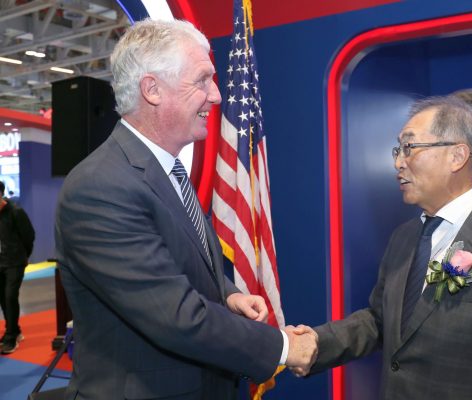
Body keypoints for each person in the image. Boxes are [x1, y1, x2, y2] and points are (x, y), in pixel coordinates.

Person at [55, 19, 316, 400]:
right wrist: (285, 347)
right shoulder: (100, 187)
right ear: (152, 90)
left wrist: (227, 295)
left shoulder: (166, 169)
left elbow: (177, 260)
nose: (216, 96)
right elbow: (174, 315)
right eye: (202, 80)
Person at [293, 96, 472, 399]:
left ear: (457, 156)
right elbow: (380, 320)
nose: (398, 162)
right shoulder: (403, 237)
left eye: (410, 147)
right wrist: (316, 343)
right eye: (398, 150)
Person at [0, 181, 35, 354]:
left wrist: (24, 256)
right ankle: (15, 330)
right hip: (0, 261)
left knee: (10, 296)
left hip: (15, 261)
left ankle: (11, 337)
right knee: (3, 297)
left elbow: (29, 236)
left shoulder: (16, 212)